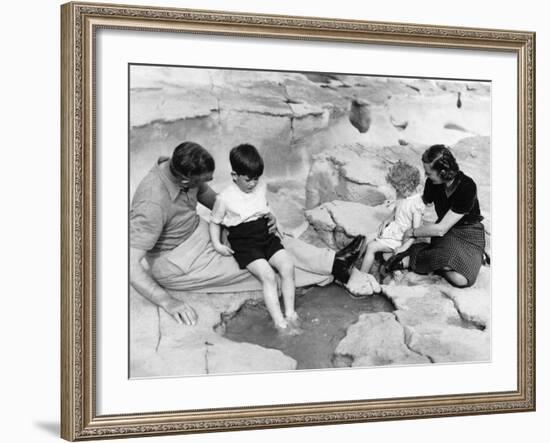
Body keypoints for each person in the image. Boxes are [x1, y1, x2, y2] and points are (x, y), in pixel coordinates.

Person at [129, 141, 365, 326]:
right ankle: (331, 273)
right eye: (202, 181)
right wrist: (167, 301)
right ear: (183, 179)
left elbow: (210, 199)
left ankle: (336, 263)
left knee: (274, 240)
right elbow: (128, 264)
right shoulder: (151, 203)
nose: (208, 183)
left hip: (201, 231)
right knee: (261, 270)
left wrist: (253, 215)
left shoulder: (181, 165)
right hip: (180, 261)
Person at [209, 144, 299, 333]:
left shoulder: (261, 186)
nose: (252, 184)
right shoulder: (224, 197)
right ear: (234, 176)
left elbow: (264, 206)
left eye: (256, 179)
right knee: (268, 275)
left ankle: (291, 313)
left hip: (264, 233)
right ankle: (280, 323)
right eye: (248, 180)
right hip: (244, 240)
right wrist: (217, 244)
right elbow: (215, 221)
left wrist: (276, 221)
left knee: (287, 265)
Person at [385, 144, 488, 288]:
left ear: (444, 172)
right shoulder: (432, 183)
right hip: (448, 235)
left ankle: (413, 260)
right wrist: (399, 206)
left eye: (429, 172)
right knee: (447, 262)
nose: (426, 176)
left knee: (462, 280)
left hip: (468, 232)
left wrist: (412, 232)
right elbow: (420, 202)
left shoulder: (467, 186)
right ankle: (429, 260)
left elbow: (440, 229)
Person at [359, 160, 424, 276]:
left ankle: (361, 275)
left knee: (371, 247)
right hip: (393, 231)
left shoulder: (416, 205)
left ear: (407, 186)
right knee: (368, 238)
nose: (397, 191)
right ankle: (357, 264)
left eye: (398, 189)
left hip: (400, 239)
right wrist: (387, 220)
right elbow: (396, 210)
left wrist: (404, 247)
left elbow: (416, 232)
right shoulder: (403, 196)